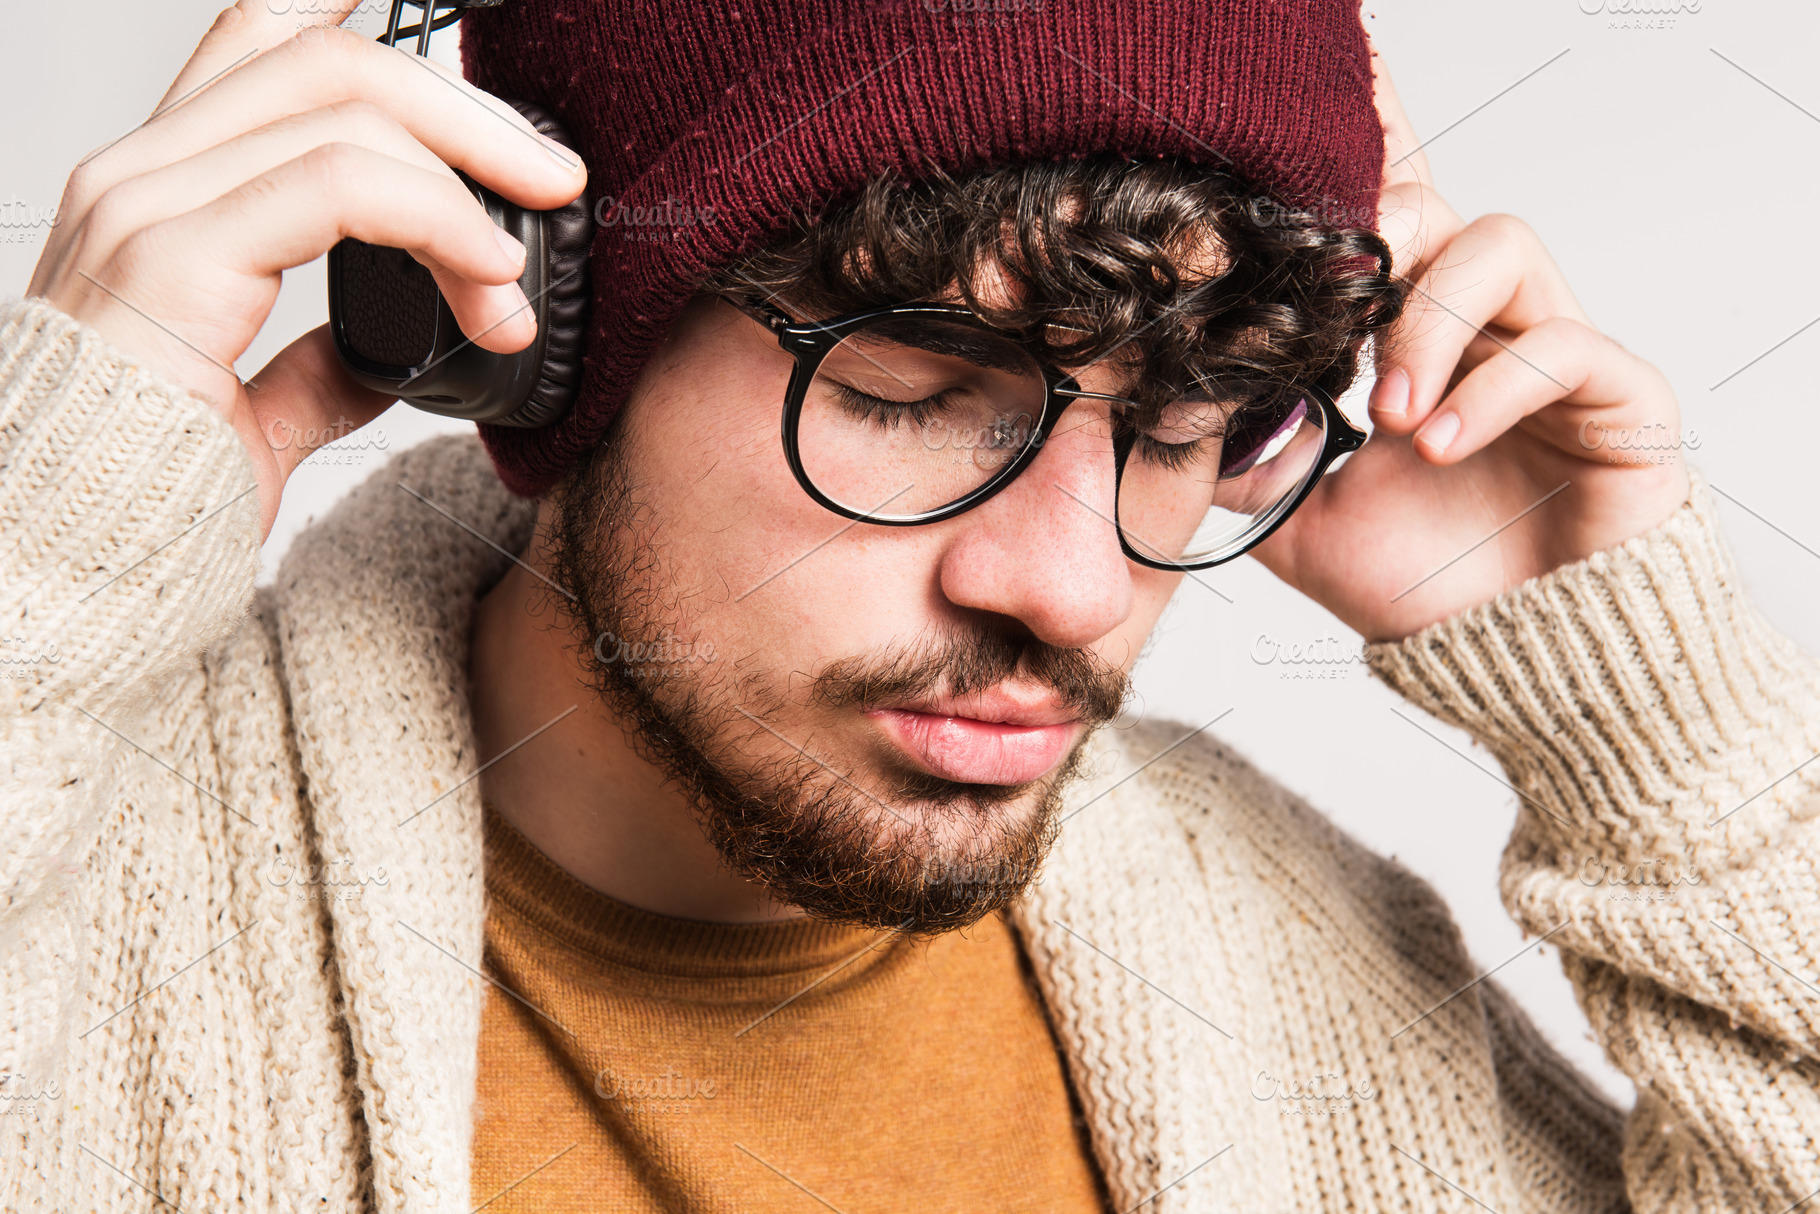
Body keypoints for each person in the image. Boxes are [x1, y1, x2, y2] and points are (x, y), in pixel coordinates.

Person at [4, 0, 1816, 1210]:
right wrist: (37, 577)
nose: (1073, 585)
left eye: (1187, 423)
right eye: (905, 394)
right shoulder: (92, 897)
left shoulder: (1310, 966)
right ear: (532, 342)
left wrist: (1650, 736)